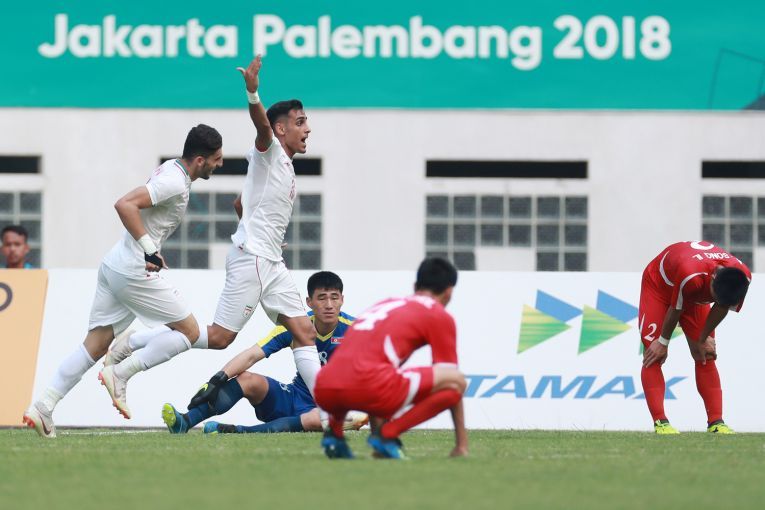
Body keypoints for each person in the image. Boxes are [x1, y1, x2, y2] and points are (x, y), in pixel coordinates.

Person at [105, 55, 322, 400]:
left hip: (268, 260)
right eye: (300, 122)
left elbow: (240, 204)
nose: (307, 128)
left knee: (304, 331)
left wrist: (262, 235)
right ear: (281, 129)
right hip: (253, 260)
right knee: (219, 338)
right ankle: (130, 351)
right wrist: (252, 92)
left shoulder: (283, 166)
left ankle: (329, 408)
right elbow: (262, 127)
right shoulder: (270, 151)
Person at [22, 124, 223, 438]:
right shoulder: (174, 180)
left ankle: (44, 405)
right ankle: (121, 372)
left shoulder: (174, 170)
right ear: (200, 160)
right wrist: (149, 249)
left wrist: (148, 248)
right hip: (132, 271)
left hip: (116, 265)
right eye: (217, 158)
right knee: (190, 331)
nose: (219, 164)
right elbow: (124, 204)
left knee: (95, 344)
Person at [161, 271, 366, 434]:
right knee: (247, 379)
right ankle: (186, 421)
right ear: (309, 302)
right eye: (322, 298)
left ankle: (237, 431)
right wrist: (216, 380)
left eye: (334, 298)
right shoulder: (298, 326)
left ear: (342, 300)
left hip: (327, 409)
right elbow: (251, 355)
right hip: (293, 397)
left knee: (318, 418)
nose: (329, 305)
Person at [315, 257, 468, 459]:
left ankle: (334, 435)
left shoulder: (386, 304)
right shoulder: (438, 315)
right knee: (456, 383)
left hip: (324, 389)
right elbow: (450, 376)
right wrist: (461, 445)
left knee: (374, 373)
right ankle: (388, 435)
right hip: (368, 386)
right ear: (449, 292)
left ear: (415, 286)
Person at [640, 240, 751, 434]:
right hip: (660, 288)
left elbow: (722, 306)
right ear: (713, 280)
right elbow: (676, 309)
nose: (717, 302)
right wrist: (663, 342)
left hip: (695, 294)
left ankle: (716, 422)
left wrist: (703, 337)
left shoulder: (742, 277)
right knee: (654, 353)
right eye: (715, 297)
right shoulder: (690, 275)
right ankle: (661, 422)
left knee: (705, 354)